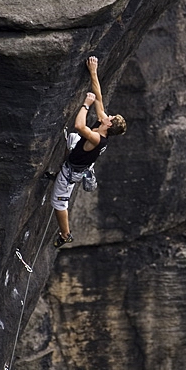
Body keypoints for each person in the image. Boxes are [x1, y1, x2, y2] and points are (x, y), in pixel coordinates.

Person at [50, 56, 126, 248]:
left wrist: (85, 104)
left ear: (108, 125)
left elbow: (79, 125)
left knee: (59, 203)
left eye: (110, 117)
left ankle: (65, 234)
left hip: (72, 172)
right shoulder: (102, 123)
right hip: (81, 155)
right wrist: (93, 71)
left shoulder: (97, 138)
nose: (107, 115)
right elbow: (99, 96)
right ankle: (76, 168)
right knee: (72, 139)